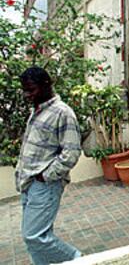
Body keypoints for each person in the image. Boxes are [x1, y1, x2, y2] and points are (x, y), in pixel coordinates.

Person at [15, 66, 82, 265]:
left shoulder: (63, 113)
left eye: (31, 89)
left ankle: (80, 261)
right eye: (25, 90)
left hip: (44, 185)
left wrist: (46, 175)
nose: (27, 95)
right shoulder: (38, 110)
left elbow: (71, 153)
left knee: (34, 237)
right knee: (36, 240)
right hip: (28, 184)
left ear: (46, 85)